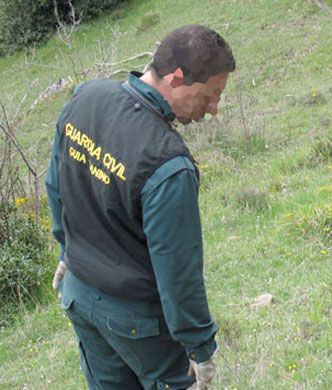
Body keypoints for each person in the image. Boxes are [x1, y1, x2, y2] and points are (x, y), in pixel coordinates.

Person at [45, 24, 235, 390]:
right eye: (211, 94)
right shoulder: (168, 165)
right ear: (177, 79)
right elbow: (178, 271)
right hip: (136, 322)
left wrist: (67, 250)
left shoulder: (87, 98)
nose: (214, 109)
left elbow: (55, 186)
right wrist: (200, 348)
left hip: (79, 296)